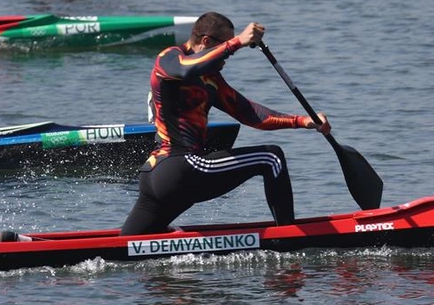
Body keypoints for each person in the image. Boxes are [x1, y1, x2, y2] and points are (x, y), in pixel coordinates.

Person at [119, 13, 331, 236]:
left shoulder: (211, 80)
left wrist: (302, 121)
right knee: (271, 158)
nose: (227, 56)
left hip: (158, 177)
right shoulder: (170, 58)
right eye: (224, 47)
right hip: (178, 167)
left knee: (126, 246)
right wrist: (237, 41)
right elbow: (186, 69)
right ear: (207, 42)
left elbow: (250, 113)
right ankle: (290, 238)